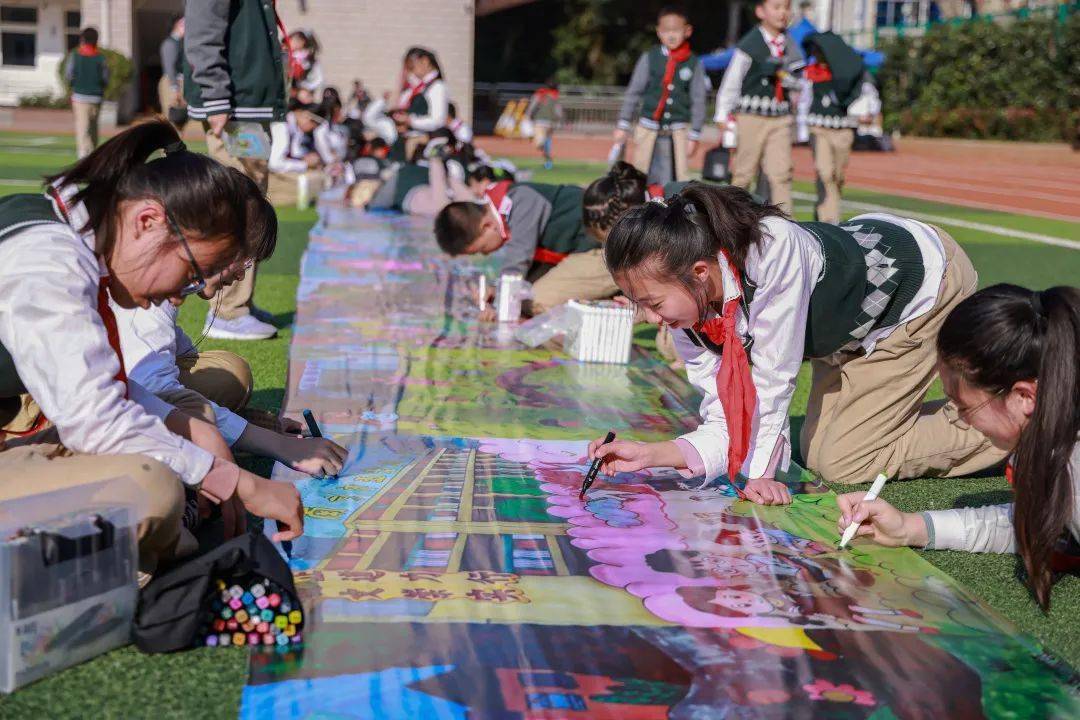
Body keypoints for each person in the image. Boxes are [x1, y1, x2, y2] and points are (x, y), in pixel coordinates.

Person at [0, 122, 314, 573]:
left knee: (180, 441)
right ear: (147, 222)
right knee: (151, 492)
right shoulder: (50, 263)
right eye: (192, 274)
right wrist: (236, 481)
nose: (191, 294)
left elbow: (106, 391)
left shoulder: (67, 236)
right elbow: (96, 420)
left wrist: (187, 427)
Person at [588, 183, 1006, 505]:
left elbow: (773, 377)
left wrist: (761, 474)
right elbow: (727, 417)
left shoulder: (773, 250)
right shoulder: (688, 308)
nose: (651, 319)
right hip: (843, 329)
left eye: (652, 304)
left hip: (915, 292)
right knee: (817, 449)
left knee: (843, 459)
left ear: (700, 272)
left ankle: (1026, 421)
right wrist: (651, 454)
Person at [837, 285, 1080, 610]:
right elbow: (1039, 520)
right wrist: (909, 527)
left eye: (963, 406)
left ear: (1024, 397)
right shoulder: (1045, 433)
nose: (962, 422)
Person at [113, 301, 346, 483]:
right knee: (161, 494)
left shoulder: (158, 294)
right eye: (241, 261)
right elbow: (154, 393)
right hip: (107, 434)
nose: (241, 276)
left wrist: (244, 426)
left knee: (229, 376)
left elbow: (170, 367)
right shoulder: (149, 301)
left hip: (124, 400)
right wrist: (275, 446)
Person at [184, 0, 286, 341]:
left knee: (252, 198)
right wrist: (216, 97)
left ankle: (239, 302)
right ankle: (227, 310)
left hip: (247, 110)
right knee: (239, 206)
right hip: (235, 111)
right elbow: (202, 31)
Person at [714, 0, 803, 215]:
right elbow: (732, 81)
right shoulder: (750, 44)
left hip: (780, 117)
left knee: (780, 173)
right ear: (760, 11)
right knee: (744, 172)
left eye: (786, 7)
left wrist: (785, 76)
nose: (783, 13)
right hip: (751, 116)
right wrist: (722, 114)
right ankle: (730, 220)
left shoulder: (790, 44)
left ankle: (786, 223)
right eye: (776, 7)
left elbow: (799, 81)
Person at [434, 182, 597, 291]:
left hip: (604, 248)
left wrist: (502, 296)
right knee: (529, 293)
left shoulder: (519, 201)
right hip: (583, 249)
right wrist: (496, 289)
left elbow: (518, 259)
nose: (486, 254)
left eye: (482, 249)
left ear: (487, 226)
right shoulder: (503, 212)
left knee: (539, 299)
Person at [614, 6, 706, 184]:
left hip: (679, 129)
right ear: (658, 32)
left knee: (681, 176)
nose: (671, 35)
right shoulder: (649, 57)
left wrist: (695, 134)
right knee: (639, 173)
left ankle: (680, 209)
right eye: (666, 31)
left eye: (676, 30)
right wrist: (623, 123)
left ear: (687, 31)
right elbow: (634, 92)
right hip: (648, 125)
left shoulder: (693, 62)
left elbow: (698, 99)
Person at [801, 31, 880, 223]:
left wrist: (868, 113)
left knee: (837, 176)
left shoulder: (851, 73)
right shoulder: (811, 73)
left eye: (821, 52)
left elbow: (869, 93)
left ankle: (823, 208)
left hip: (843, 129)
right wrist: (801, 130)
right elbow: (804, 100)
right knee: (824, 171)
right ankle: (830, 220)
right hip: (818, 128)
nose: (817, 56)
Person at [389, 47, 449, 162]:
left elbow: (438, 121)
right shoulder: (419, 87)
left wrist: (410, 121)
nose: (410, 72)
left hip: (421, 149)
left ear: (425, 61)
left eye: (411, 67)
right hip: (407, 143)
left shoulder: (437, 87)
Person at [65, 27, 109, 160]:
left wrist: (73, 85)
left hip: (80, 97)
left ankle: (83, 157)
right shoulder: (101, 58)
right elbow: (105, 78)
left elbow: (68, 75)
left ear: (82, 39)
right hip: (96, 97)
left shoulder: (75, 56)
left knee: (82, 128)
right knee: (94, 128)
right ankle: (93, 155)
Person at [526, 79, 563, 170]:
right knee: (547, 141)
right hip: (550, 123)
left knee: (539, 143)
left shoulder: (540, 94)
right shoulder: (555, 96)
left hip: (540, 121)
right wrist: (559, 120)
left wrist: (528, 115)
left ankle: (547, 158)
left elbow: (532, 107)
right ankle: (548, 161)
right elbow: (559, 111)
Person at [158, 14, 187, 128]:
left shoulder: (181, 43)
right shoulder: (170, 43)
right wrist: (175, 88)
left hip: (179, 82)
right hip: (172, 83)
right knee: (172, 119)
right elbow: (169, 67)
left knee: (180, 120)